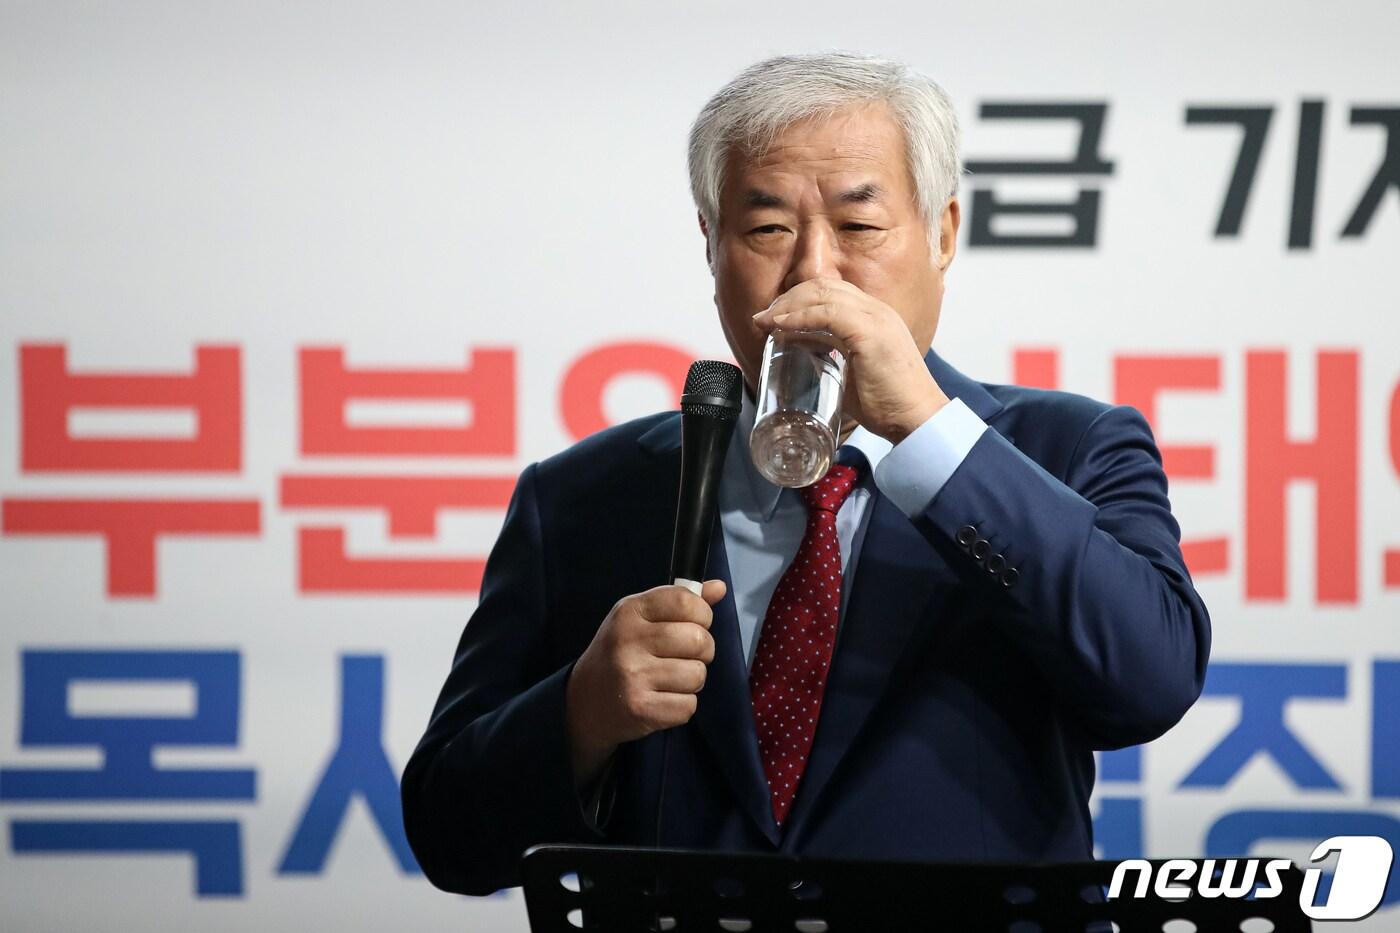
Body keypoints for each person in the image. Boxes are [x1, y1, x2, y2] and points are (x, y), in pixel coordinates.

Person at [400, 51, 1211, 896]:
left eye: (859, 226)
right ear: (710, 245)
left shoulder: (1069, 449)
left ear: (943, 234)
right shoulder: (580, 497)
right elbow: (449, 836)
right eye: (767, 230)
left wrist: (927, 429)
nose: (815, 271)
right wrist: (581, 712)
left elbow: (1150, 684)